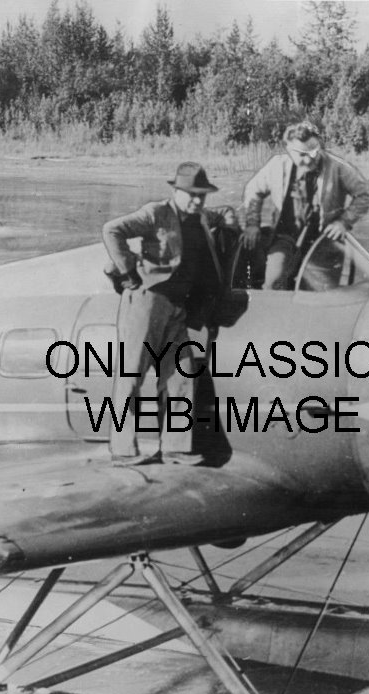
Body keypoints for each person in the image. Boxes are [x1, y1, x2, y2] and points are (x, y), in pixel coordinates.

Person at [101, 162, 236, 467]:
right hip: (147, 302)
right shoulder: (156, 213)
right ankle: (123, 451)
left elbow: (224, 213)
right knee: (131, 376)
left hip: (178, 309)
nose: (197, 200)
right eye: (190, 194)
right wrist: (129, 273)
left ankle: (176, 449)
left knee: (181, 377)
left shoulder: (200, 216)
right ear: (176, 191)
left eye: (202, 195)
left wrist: (232, 221)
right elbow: (112, 230)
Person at [242, 121, 369, 291]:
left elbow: (365, 194)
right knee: (273, 285)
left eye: (314, 151)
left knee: (319, 295)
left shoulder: (337, 167)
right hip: (285, 238)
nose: (310, 157)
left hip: (324, 242)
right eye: (303, 154)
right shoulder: (276, 165)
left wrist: (343, 222)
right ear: (289, 150)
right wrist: (252, 224)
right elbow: (253, 190)